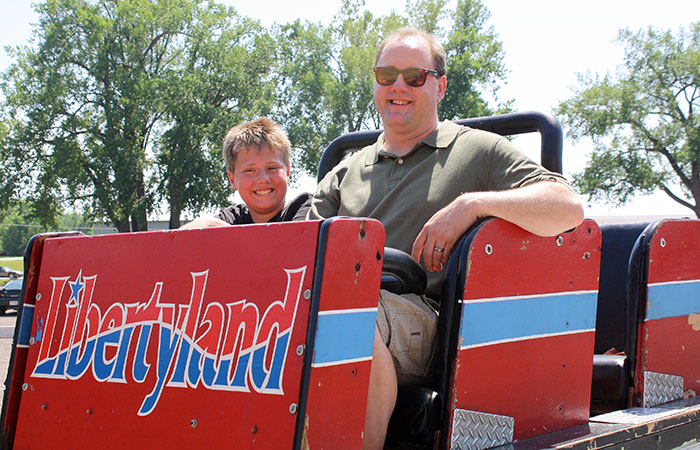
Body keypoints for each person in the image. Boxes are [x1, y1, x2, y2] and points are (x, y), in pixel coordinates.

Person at [308, 27, 584, 449]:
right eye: (387, 75)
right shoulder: (347, 169)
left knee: (344, 322)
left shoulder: (479, 150)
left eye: (415, 76)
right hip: (340, 298)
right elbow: (302, 241)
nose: (398, 86)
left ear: (440, 86)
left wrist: (472, 205)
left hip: (424, 318)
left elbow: (566, 207)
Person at [180, 118, 311, 229]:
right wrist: (206, 224)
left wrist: (229, 235)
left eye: (272, 168)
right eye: (250, 170)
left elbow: (292, 244)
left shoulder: (307, 209)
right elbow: (173, 242)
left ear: (287, 172)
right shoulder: (231, 218)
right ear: (232, 180)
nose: (263, 179)